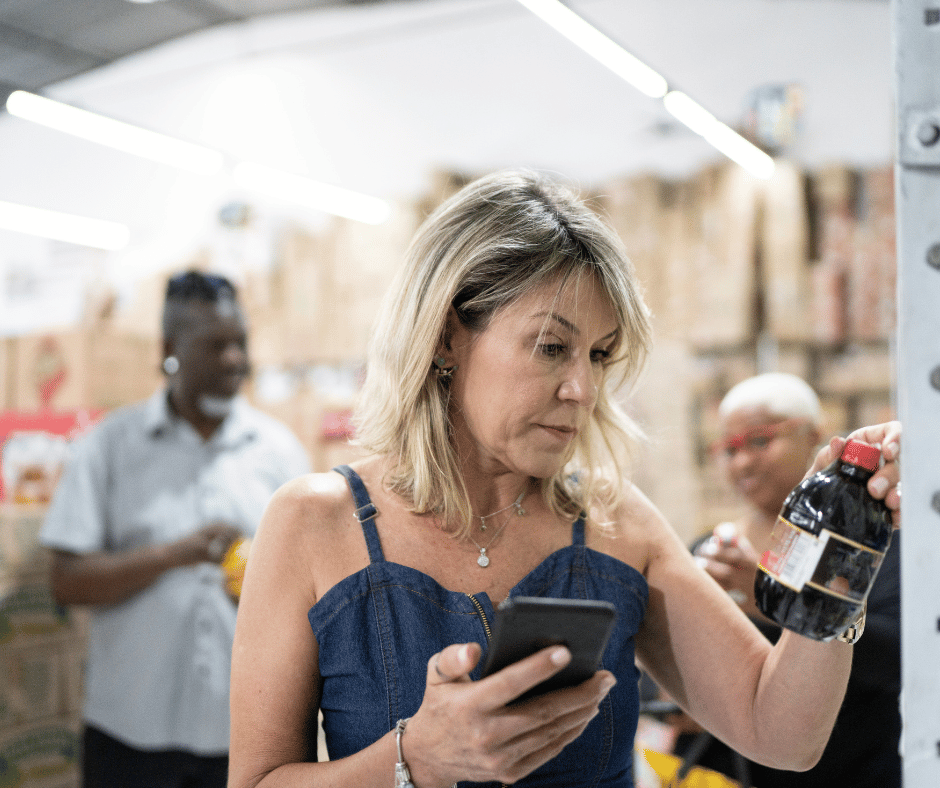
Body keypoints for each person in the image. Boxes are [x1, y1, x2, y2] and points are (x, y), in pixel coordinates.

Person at [227, 170, 902, 788]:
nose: (582, 388)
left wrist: (837, 560)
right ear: (444, 337)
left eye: (600, 355)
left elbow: (781, 733)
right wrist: (413, 760)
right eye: (552, 346)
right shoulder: (314, 524)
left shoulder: (616, 524)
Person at [40, 270, 311, 788]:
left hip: (246, 742)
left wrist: (263, 591)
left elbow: (315, 588)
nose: (234, 360)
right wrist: (174, 554)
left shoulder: (280, 453)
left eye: (240, 343)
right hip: (129, 740)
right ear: (170, 348)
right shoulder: (109, 448)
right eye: (215, 345)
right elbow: (67, 580)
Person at [677, 372, 901, 787]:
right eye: (729, 448)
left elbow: (897, 658)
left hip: (858, 771)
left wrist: (769, 596)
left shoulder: (868, 540)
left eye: (761, 440)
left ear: (814, 435)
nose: (742, 461)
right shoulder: (710, 554)